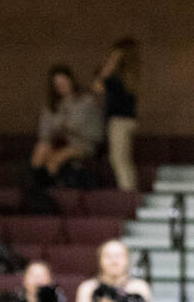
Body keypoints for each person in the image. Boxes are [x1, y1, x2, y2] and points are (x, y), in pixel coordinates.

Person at [30, 66, 104, 187]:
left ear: (71, 81)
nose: (62, 87)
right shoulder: (52, 105)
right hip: (57, 143)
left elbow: (81, 127)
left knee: (55, 159)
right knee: (41, 148)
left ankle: (53, 189)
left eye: (64, 83)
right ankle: (35, 189)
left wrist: (63, 126)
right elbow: (45, 131)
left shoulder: (86, 101)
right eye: (58, 85)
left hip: (83, 144)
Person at [91, 39, 140, 191]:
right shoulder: (130, 77)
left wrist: (106, 69)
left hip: (119, 121)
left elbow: (96, 87)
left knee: (118, 159)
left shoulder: (116, 78)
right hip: (129, 120)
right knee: (123, 159)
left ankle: (128, 192)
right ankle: (130, 190)